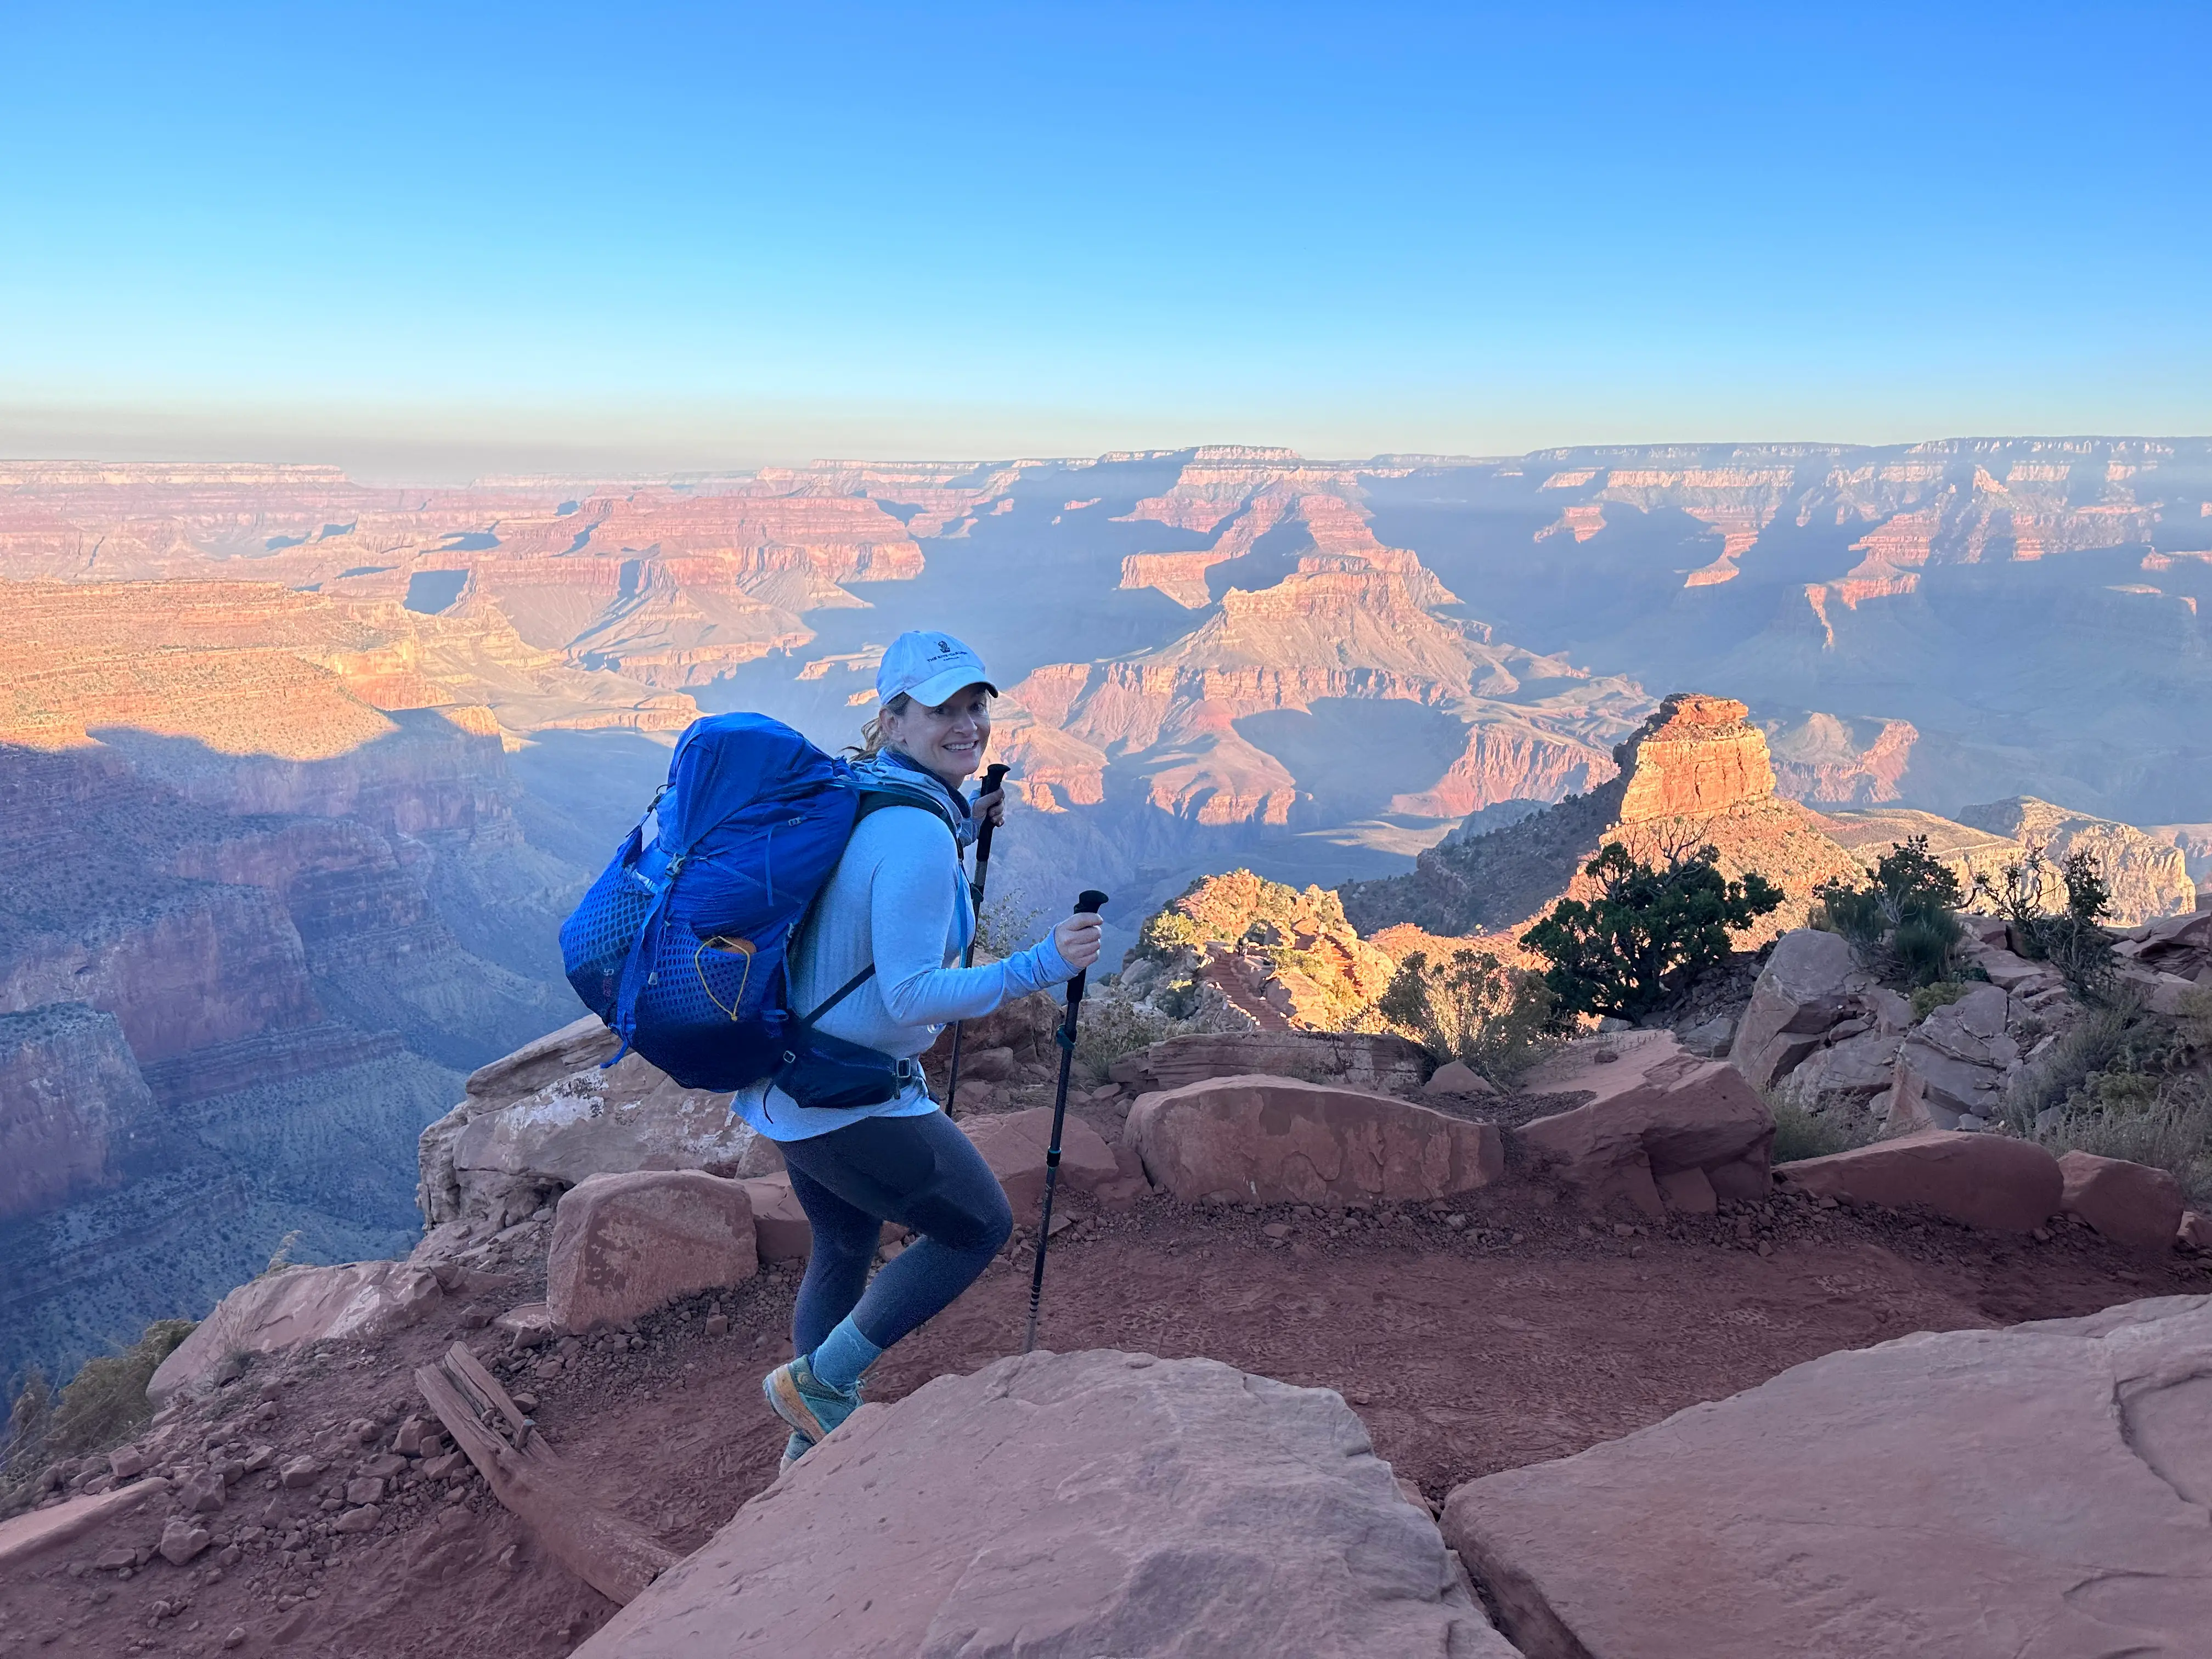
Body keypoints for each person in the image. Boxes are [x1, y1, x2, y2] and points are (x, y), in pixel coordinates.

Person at [742, 629, 1103, 1469]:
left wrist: (961, 814)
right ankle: (821, 1387)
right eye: (944, 708)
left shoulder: (870, 791)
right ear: (895, 718)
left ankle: (810, 1447)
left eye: (977, 705)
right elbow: (908, 991)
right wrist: (1042, 963)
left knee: (843, 1242)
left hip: (791, 1081)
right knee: (977, 1226)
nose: (969, 723)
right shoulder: (911, 834)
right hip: (850, 1094)